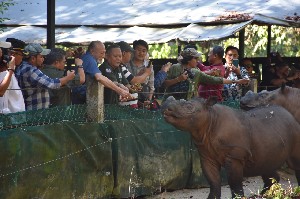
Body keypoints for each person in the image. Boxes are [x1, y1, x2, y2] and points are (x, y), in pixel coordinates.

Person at [162, 48, 249, 101]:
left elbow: (216, 80)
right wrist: (178, 79)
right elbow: (164, 84)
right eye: (195, 58)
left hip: (185, 107)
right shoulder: (175, 68)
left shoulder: (196, 72)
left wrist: (236, 81)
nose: (198, 60)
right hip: (170, 105)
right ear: (189, 60)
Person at [15, 43, 76, 110]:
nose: (43, 59)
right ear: (33, 58)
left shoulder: (22, 67)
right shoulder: (30, 69)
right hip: (35, 110)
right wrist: (68, 77)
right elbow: (51, 84)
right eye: (41, 57)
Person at [0, 39, 25, 114]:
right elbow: (3, 105)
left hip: (16, 119)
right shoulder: (4, 74)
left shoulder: (7, 73)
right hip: (11, 121)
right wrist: (11, 69)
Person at [128, 39, 155, 106]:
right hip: (129, 97)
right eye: (139, 50)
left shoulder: (149, 66)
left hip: (143, 99)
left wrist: (149, 100)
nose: (141, 53)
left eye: (144, 51)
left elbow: (151, 86)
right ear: (133, 50)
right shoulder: (126, 64)